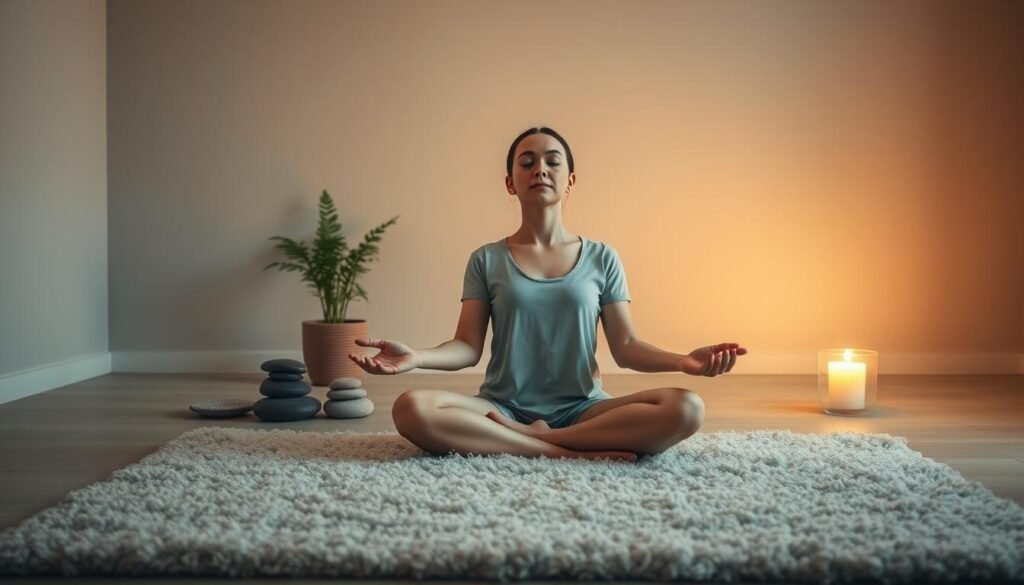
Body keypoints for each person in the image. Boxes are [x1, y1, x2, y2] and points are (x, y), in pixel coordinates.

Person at [349, 126, 747, 462]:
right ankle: (566, 453)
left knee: (687, 408)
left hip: (585, 409)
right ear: (510, 182)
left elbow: (625, 347)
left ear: (571, 178)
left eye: (553, 161)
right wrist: (416, 357)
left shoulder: (602, 257)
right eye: (527, 162)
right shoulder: (486, 259)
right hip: (502, 407)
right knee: (411, 408)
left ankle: (532, 440)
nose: (540, 168)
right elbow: (467, 348)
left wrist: (684, 362)